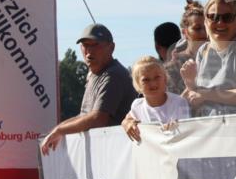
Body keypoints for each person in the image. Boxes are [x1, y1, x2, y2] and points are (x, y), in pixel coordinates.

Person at [41, 23, 136, 154]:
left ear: (111, 47)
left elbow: (98, 119)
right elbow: (84, 116)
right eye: (85, 45)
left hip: (118, 156)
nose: (89, 51)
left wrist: (60, 131)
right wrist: (57, 130)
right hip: (106, 156)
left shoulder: (113, 75)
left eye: (96, 45)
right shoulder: (95, 75)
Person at [180, 0, 236, 117]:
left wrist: (206, 94)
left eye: (227, 17)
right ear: (206, 20)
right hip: (210, 131)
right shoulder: (204, 51)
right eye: (213, 17)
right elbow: (194, 98)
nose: (220, 23)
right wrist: (190, 84)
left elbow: (202, 95)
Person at [121, 56, 190, 142]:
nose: (153, 83)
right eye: (146, 80)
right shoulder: (137, 105)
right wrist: (127, 123)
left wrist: (174, 127)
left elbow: (185, 130)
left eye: (157, 77)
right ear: (137, 83)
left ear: (165, 79)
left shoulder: (179, 102)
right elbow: (127, 120)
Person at [164, 0, 207, 94]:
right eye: (197, 28)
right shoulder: (173, 68)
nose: (204, 33)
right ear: (185, 32)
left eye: (207, 27)